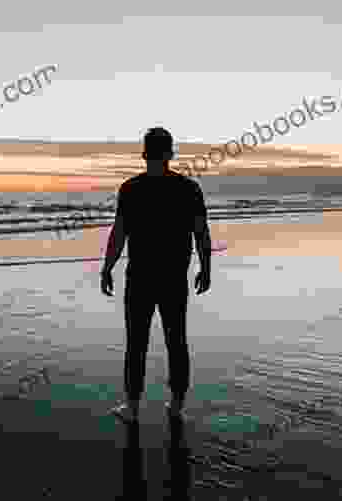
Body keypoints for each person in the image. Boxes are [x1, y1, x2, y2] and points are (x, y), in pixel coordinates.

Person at [100, 127, 212, 421]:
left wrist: (107, 267)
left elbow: (119, 233)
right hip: (174, 277)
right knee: (177, 340)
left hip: (140, 277)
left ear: (144, 153)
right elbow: (201, 231)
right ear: (170, 153)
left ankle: (133, 408)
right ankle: (176, 406)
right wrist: (206, 267)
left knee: (136, 342)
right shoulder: (189, 189)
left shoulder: (131, 188)